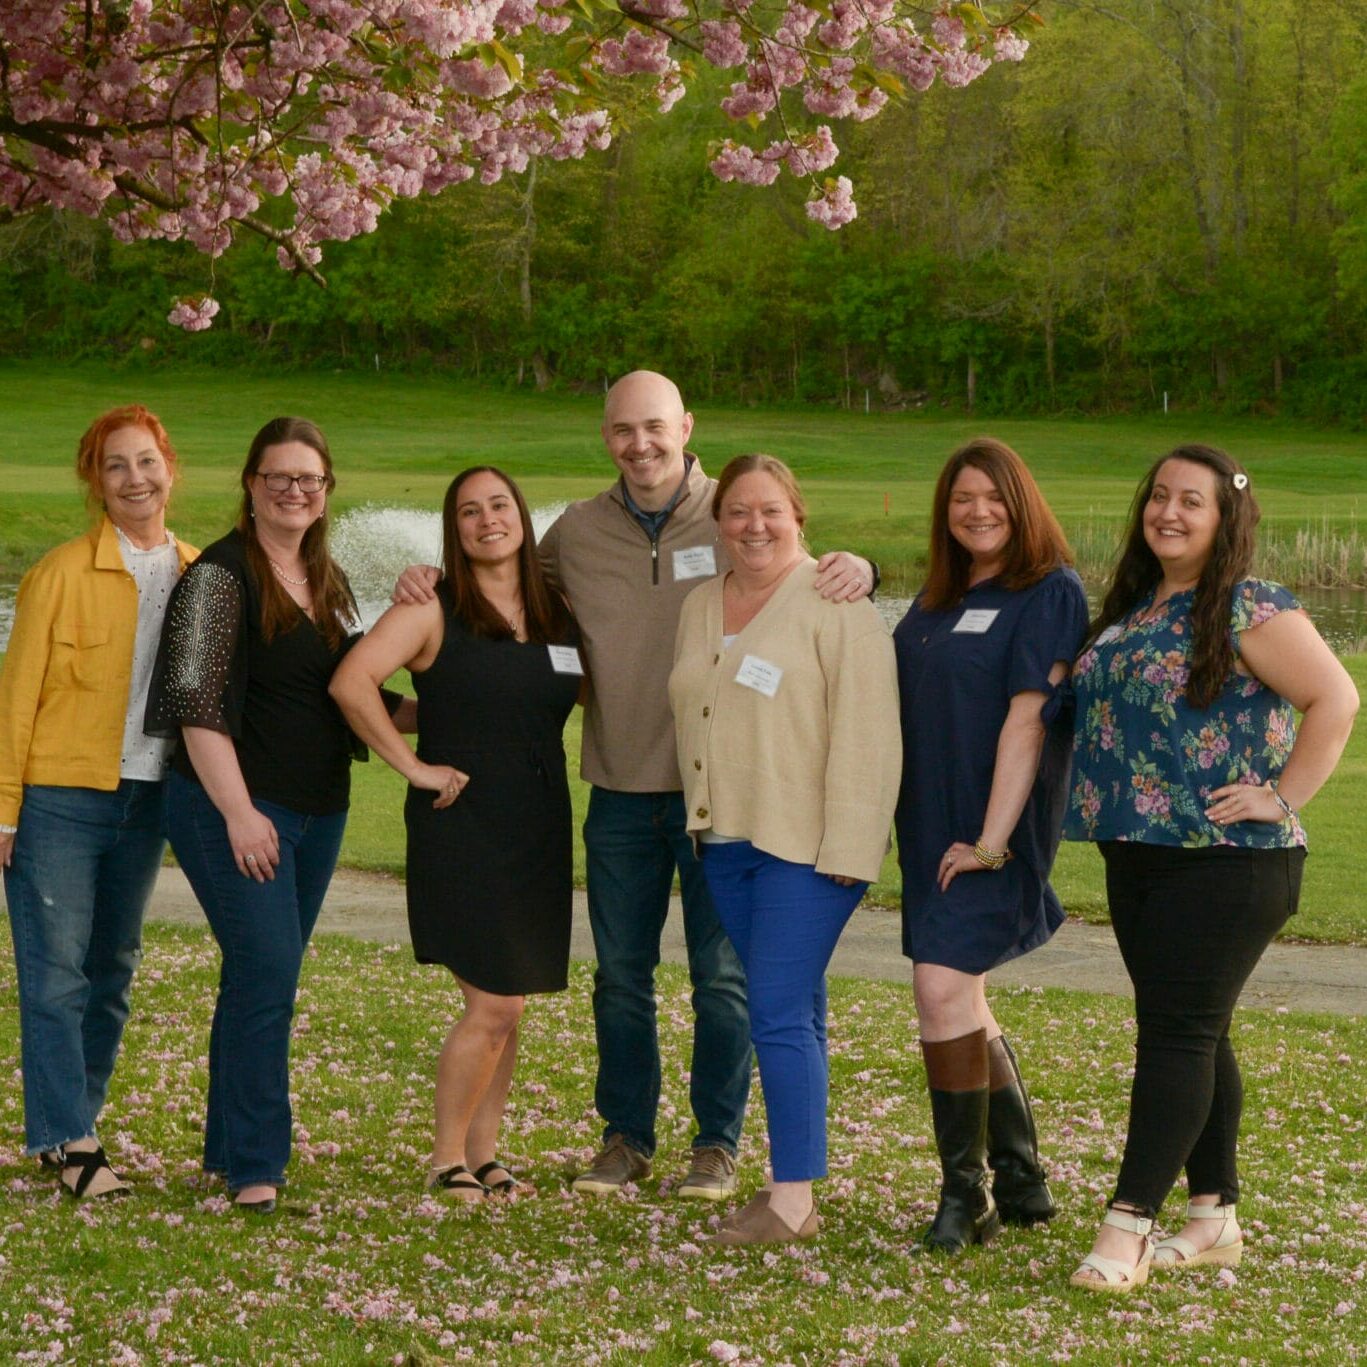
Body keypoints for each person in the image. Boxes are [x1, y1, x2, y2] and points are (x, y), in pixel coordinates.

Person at [395, 370, 877, 1201]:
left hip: (722, 799)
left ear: (686, 425)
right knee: (621, 975)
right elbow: (499, 581)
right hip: (619, 787)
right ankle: (624, 1136)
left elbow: (799, 565)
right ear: (606, 436)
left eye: (654, 426)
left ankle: (715, 1143)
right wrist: (424, 581)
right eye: (623, 429)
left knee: (723, 978)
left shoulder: (734, 509)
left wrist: (858, 563)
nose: (640, 444)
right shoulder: (576, 532)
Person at [1065, 444, 1358, 1292]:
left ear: (1224, 516)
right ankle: (1213, 1216)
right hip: (1138, 854)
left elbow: (1334, 696)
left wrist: (1281, 793)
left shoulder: (1246, 603)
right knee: (1193, 1028)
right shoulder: (1132, 607)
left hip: (1226, 860)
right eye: (1158, 495)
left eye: (1190, 501)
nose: (1168, 512)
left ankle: (1125, 1227)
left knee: (1175, 1033)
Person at [145, 416, 409, 1213]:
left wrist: (450, 711)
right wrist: (238, 812)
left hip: (317, 811)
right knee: (267, 974)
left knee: (260, 975)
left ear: (326, 492)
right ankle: (257, 1164)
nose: (294, 491)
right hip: (232, 807)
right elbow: (195, 704)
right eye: (278, 477)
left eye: (310, 479)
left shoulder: (323, 579)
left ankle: (228, 1150)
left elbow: (345, 688)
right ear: (251, 486)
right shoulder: (220, 578)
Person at [330, 467, 582, 1200]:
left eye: (498, 504)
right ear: (454, 528)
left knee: (512, 996)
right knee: (493, 1002)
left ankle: (485, 1151)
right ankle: (446, 1158)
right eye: (468, 511)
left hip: (537, 823)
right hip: (461, 821)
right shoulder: (432, 607)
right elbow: (353, 682)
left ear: (521, 517)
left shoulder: (557, 611)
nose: (486, 520)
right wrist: (413, 764)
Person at [669, 454, 900, 1244]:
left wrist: (850, 845)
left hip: (807, 850)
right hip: (724, 843)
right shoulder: (702, 602)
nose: (753, 526)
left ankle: (792, 1199)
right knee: (793, 1007)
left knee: (770, 1008)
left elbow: (870, 737)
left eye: (769, 510)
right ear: (718, 521)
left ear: (798, 514)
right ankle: (792, 1182)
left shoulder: (837, 602)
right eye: (736, 511)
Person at [892, 438, 1088, 1252]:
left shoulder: (1048, 592)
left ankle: (963, 1194)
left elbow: (1026, 721)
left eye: (993, 498)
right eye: (961, 497)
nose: (977, 511)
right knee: (961, 995)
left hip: (989, 825)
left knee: (939, 989)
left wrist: (991, 842)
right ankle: (1021, 1179)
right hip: (928, 818)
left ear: (1022, 502)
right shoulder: (938, 597)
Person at [0, 406, 198, 1199]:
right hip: (59, 796)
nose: (134, 478)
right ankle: (74, 1139)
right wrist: (5, 809)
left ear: (170, 467)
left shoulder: (198, 570)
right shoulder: (58, 573)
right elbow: (15, 699)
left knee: (111, 968)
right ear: (95, 480)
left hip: (150, 796)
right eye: (115, 466)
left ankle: (69, 1120)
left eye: (145, 461)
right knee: (54, 973)